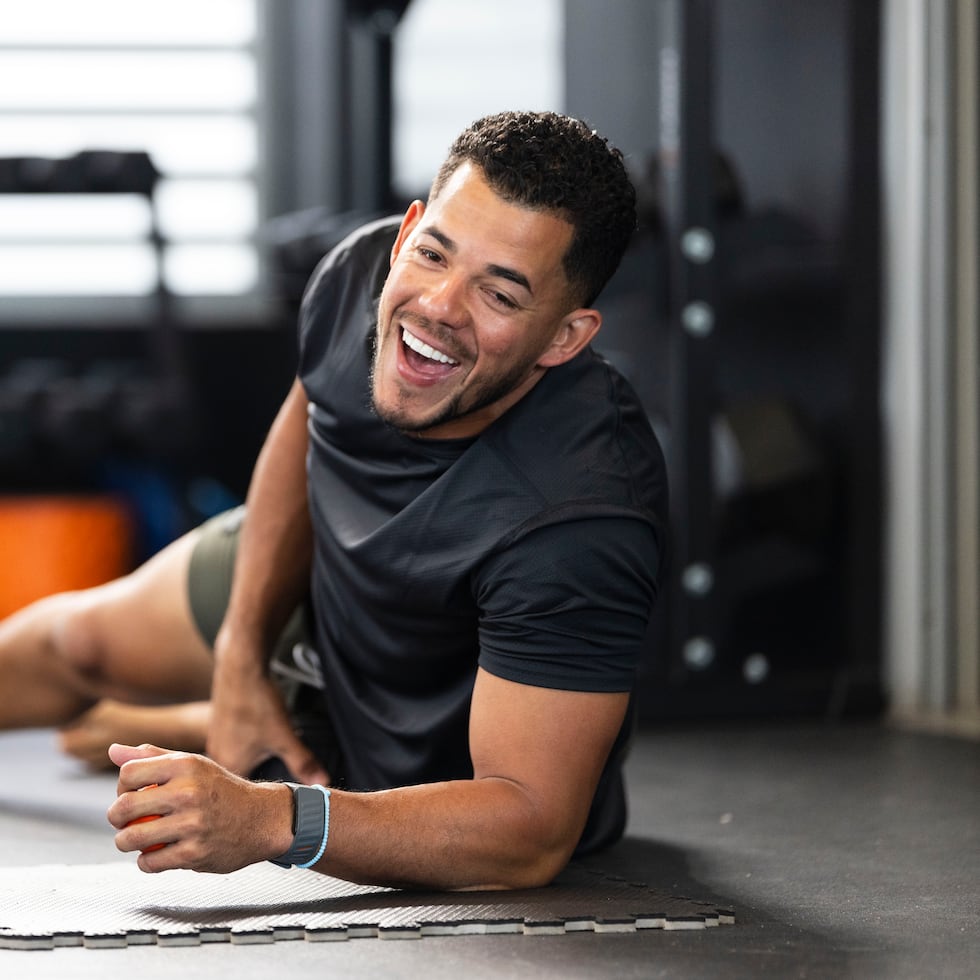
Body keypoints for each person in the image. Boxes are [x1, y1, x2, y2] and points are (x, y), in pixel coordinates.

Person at [0, 110, 667, 891]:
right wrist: (241, 657)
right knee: (77, 643)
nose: (439, 307)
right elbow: (311, 417)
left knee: (292, 770)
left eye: (500, 294)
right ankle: (222, 710)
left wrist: (275, 819)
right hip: (321, 590)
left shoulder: (581, 518)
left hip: (422, 766)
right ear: (408, 230)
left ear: (564, 336)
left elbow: (528, 831)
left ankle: (212, 728)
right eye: (434, 253)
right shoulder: (363, 275)